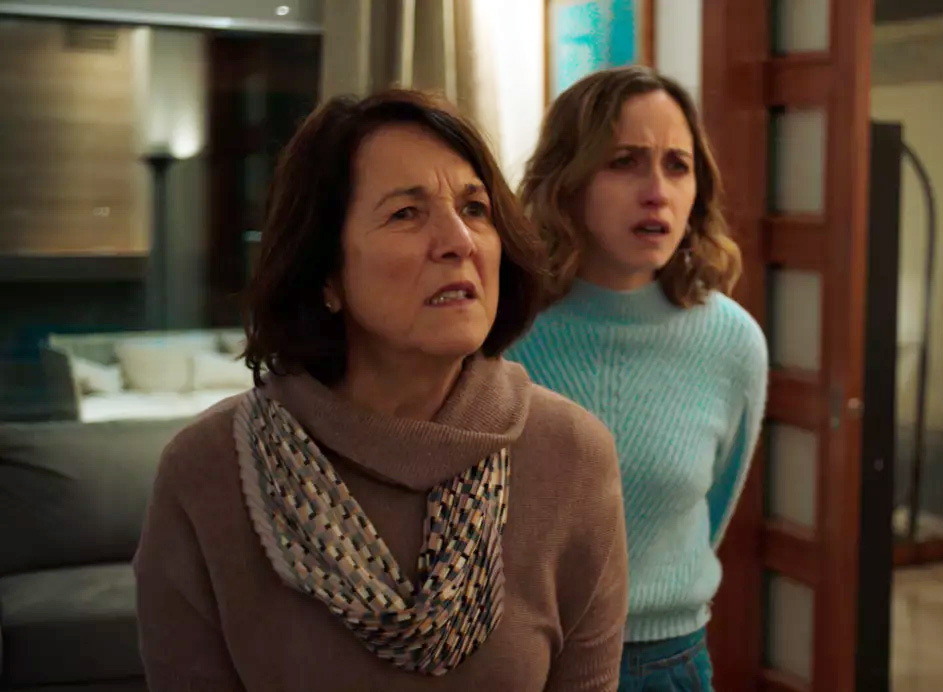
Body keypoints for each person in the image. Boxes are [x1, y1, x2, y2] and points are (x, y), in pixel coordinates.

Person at [134, 89, 628, 691]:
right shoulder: (206, 470)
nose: (459, 240)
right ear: (326, 275)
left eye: (474, 208)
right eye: (406, 213)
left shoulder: (572, 454)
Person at [506, 66, 769, 690]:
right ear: (569, 180)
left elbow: (713, 507)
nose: (657, 192)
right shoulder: (502, 328)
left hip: (666, 661)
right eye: (624, 162)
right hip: (519, 654)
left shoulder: (732, 342)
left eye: (677, 166)